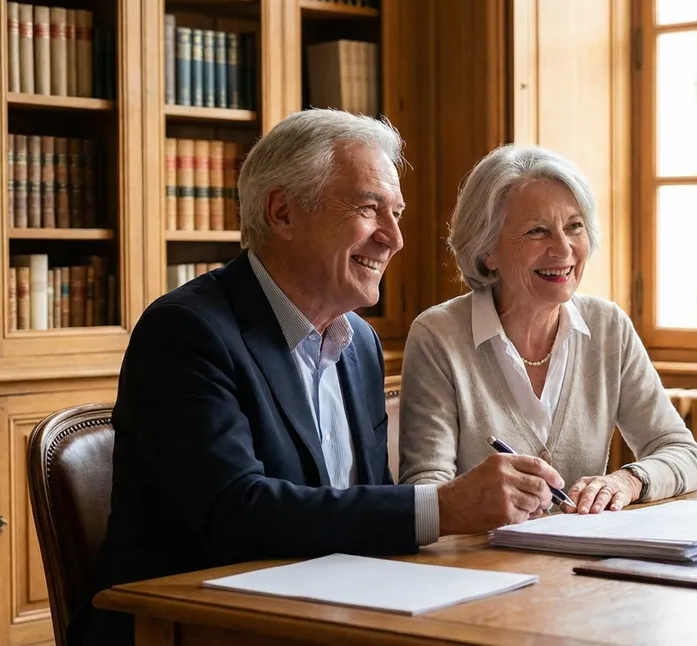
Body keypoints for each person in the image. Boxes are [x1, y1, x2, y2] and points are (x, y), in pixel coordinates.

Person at [74, 110, 566, 646]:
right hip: (195, 627)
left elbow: (362, 511)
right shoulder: (187, 331)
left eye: (397, 213)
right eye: (368, 208)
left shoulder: (360, 344)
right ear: (283, 213)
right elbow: (236, 514)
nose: (394, 238)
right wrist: (443, 507)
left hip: (334, 616)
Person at [396, 144, 697, 513]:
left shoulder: (608, 327)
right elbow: (424, 490)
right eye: (537, 231)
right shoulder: (438, 335)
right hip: (481, 565)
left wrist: (627, 480)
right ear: (486, 248)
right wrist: (477, 498)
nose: (564, 250)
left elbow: (683, 453)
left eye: (574, 227)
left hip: (580, 564)